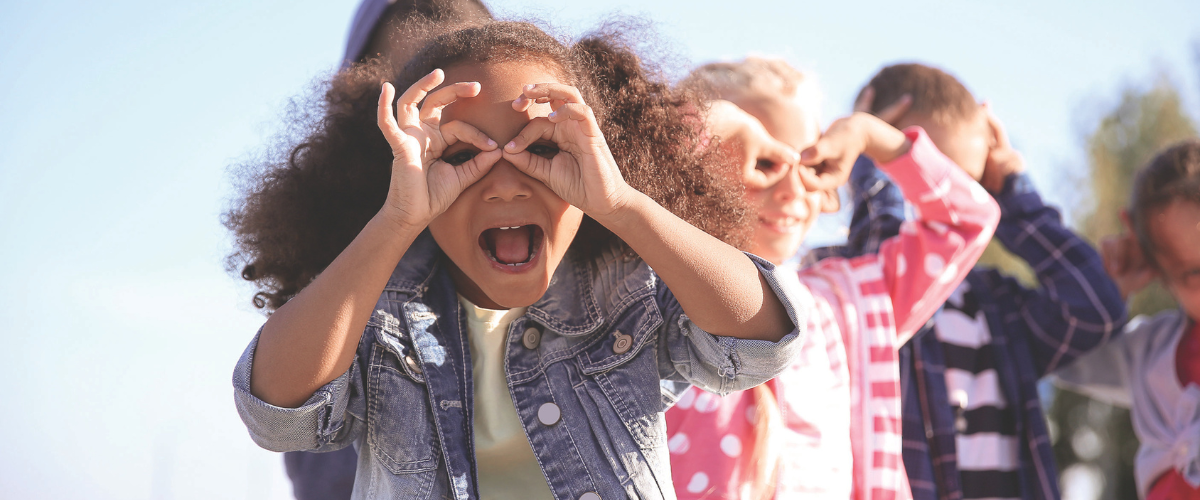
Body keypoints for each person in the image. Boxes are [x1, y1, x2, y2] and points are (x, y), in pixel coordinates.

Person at [226, 18, 810, 499]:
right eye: (460, 156)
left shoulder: (627, 289)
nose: (506, 186)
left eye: (544, 148)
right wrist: (396, 219)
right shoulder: (375, 313)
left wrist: (623, 203)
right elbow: (279, 415)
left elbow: (761, 345)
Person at [662, 57, 1001, 500]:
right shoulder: (655, 288)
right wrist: (715, 119)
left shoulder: (848, 302)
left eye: (807, 161)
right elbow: (626, 170)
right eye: (762, 159)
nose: (790, 188)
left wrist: (869, 135)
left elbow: (966, 222)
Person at [838, 63, 1127, 500]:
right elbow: (882, 258)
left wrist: (1014, 195)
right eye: (926, 179)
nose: (949, 202)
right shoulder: (846, 289)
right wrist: (866, 147)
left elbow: (1095, 308)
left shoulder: (999, 308)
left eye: (966, 185)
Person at [282, 2, 495, 498]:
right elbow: (285, 420)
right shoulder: (340, 277)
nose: (437, 129)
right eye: (414, 103)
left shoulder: (576, 251)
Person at [1054, 140, 1200, 500]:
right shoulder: (1151, 353)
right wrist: (1108, 292)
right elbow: (1061, 354)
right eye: (1194, 273)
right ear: (1162, 273)